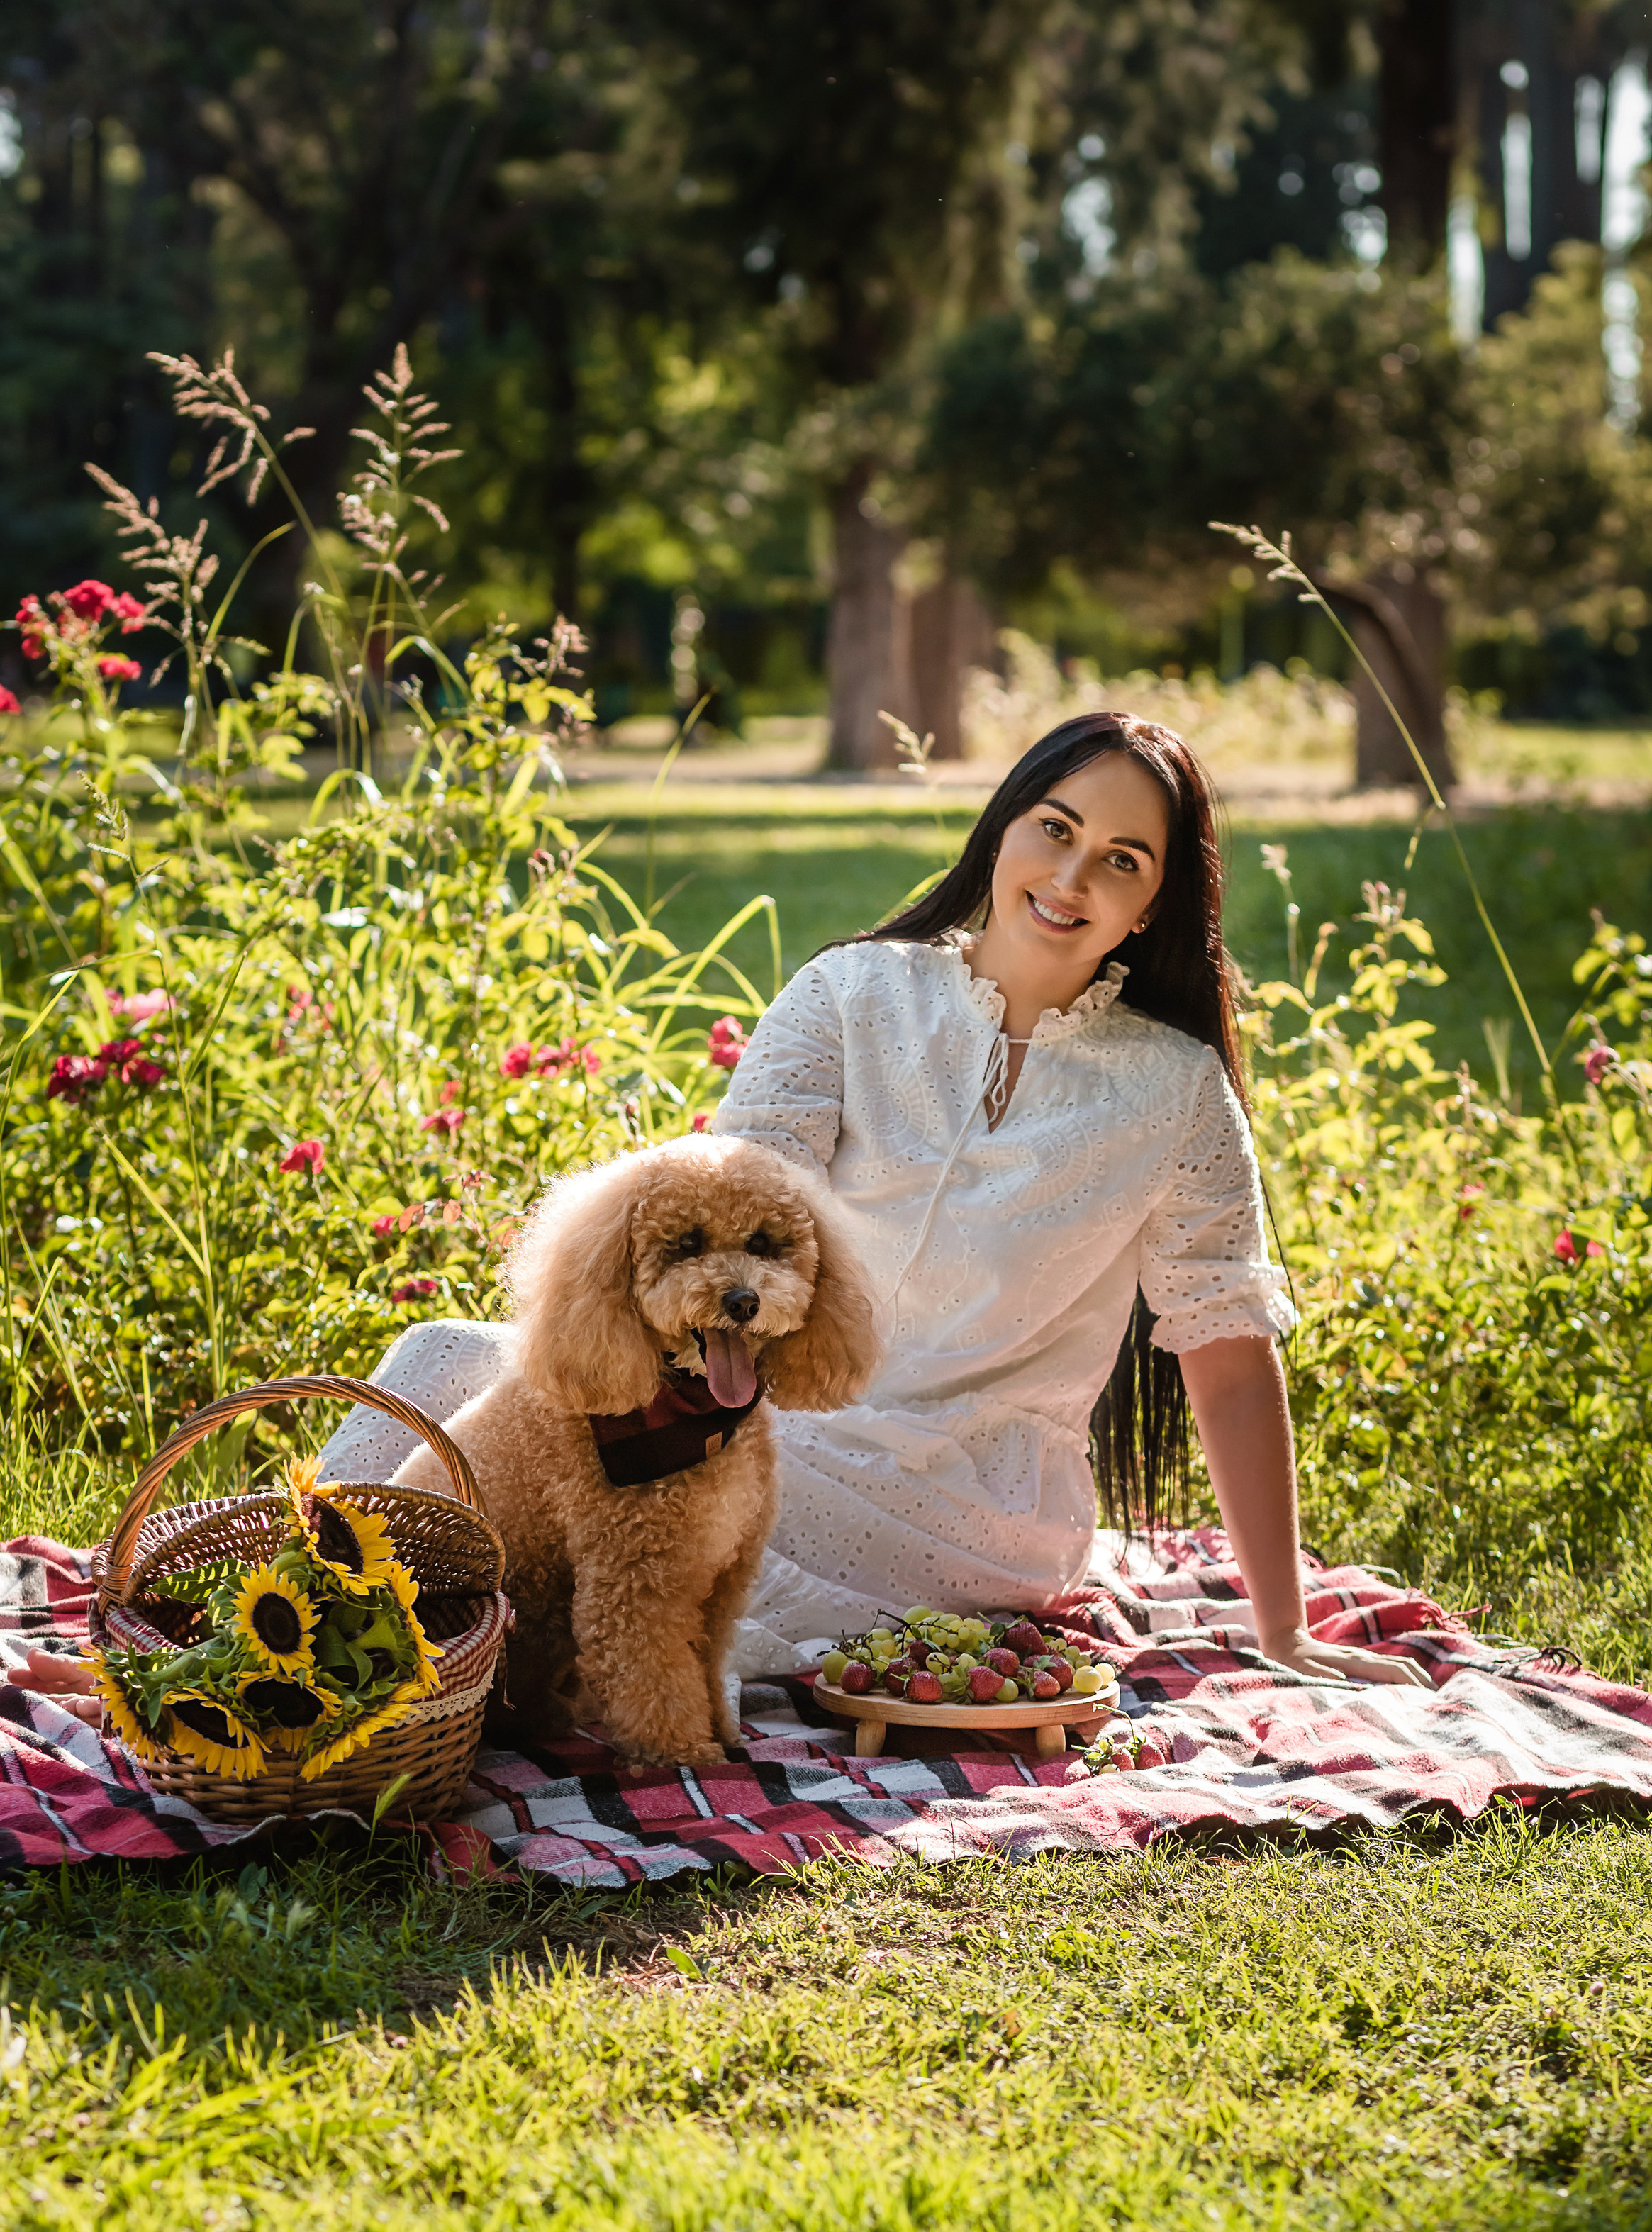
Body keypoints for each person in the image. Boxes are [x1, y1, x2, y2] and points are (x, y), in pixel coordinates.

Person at [320, 710, 1426, 1692]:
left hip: (970, 1495)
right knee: (442, 1359)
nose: (1074, 875)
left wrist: (1284, 1629)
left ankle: (386, 1660)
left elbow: (1227, 1351)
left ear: (1150, 907)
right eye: (1055, 827)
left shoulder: (1176, 1092)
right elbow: (723, 1235)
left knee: (564, 1463)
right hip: (771, 1409)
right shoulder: (853, 994)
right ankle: (281, 1625)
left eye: (1122, 860)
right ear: (1001, 831)